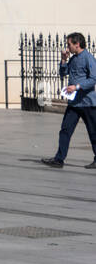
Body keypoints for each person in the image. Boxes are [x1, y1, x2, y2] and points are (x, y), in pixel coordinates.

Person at [41, 32, 96, 168]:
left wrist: (76, 87)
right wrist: (64, 60)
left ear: (77, 44)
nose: (67, 47)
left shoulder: (88, 58)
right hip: (74, 103)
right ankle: (59, 159)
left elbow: (93, 79)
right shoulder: (73, 58)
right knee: (65, 130)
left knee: (93, 131)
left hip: (88, 103)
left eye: (69, 44)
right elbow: (62, 73)